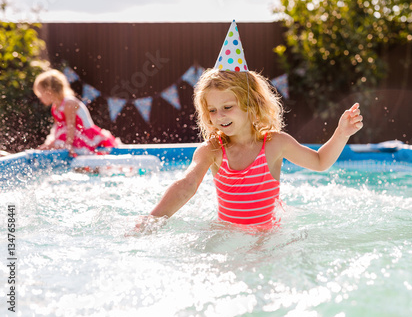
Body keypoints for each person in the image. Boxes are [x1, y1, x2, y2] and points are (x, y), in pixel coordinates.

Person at [139, 21, 363, 229]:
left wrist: (342, 133)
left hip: (267, 235)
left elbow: (320, 162)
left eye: (228, 107)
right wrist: (152, 219)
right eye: (212, 110)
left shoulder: (275, 144)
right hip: (229, 232)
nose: (219, 116)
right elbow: (186, 185)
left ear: (251, 105)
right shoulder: (212, 150)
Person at [33, 69, 118, 154]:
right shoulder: (55, 108)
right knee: (55, 145)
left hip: (85, 135)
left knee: (65, 147)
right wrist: (48, 145)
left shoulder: (69, 103)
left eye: (41, 94)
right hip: (73, 136)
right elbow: (56, 130)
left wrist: (68, 146)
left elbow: (71, 127)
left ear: (50, 92)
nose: (40, 98)